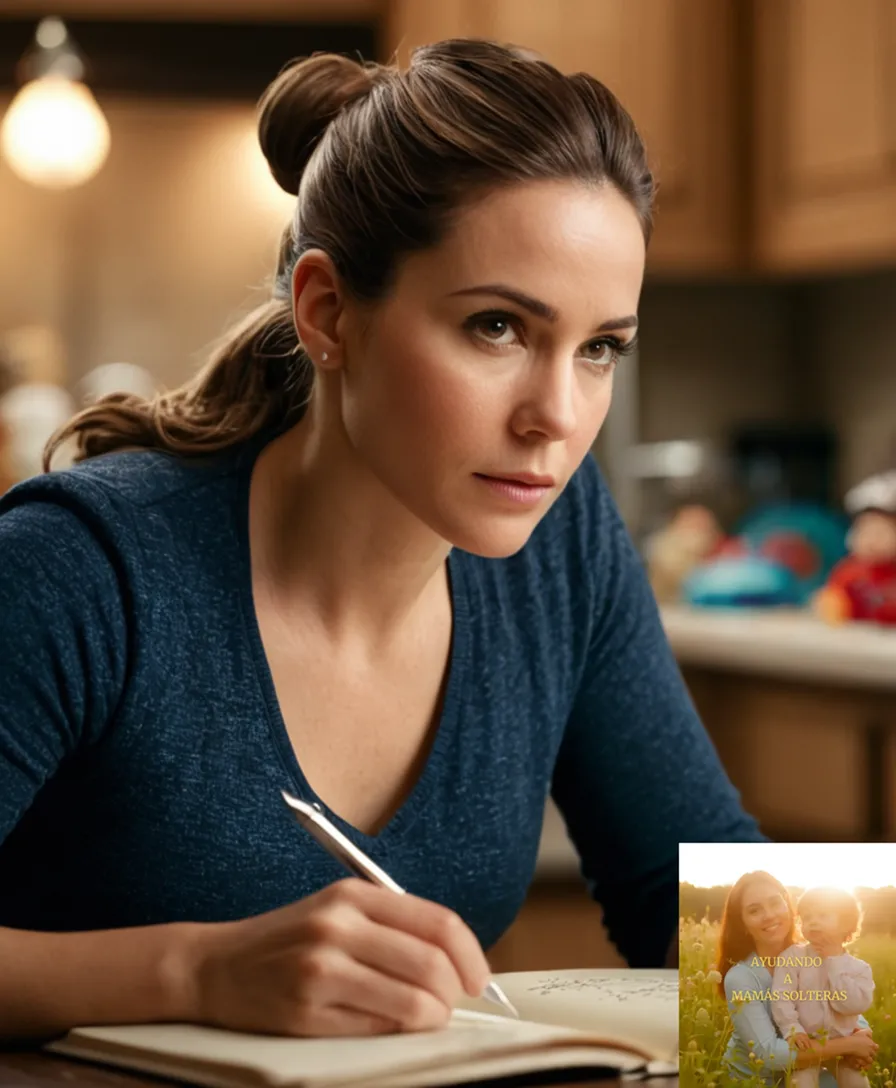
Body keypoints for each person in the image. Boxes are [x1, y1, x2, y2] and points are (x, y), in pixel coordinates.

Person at [0, 39, 764, 1044]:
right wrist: (191, 968)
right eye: (495, 327)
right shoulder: (78, 568)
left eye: (598, 348)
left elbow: (709, 911)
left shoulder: (561, 547)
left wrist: (845, 976)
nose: (556, 415)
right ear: (327, 313)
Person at [717, 872, 878, 1084]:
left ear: (788, 906)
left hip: (811, 1064)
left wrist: (861, 1033)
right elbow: (768, 1055)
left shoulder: (816, 953)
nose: (769, 915)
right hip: (757, 1079)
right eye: (754, 910)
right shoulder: (740, 977)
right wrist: (849, 1045)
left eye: (775, 903)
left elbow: (842, 1006)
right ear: (743, 924)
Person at [770, 887, 874, 1088]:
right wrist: (792, 1030)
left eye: (822, 915)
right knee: (800, 1084)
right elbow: (782, 997)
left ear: (846, 924)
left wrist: (833, 961)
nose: (813, 922)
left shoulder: (859, 969)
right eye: (807, 917)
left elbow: (852, 1005)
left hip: (844, 1050)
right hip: (808, 1045)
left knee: (858, 1084)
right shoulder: (792, 958)